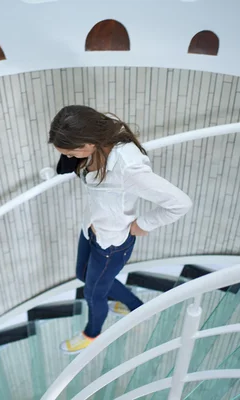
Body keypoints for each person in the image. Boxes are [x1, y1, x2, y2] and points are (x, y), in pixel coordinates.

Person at [48, 105, 192, 354]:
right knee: (83, 276)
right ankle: (134, 305)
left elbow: (180, 203)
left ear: (89, 143)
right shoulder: (103, 129)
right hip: (92, 229)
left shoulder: (128, 168)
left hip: (112, 244)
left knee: (93, 294)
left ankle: (91, 334)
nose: (70, 158)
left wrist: (143, 225)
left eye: (72, 152)